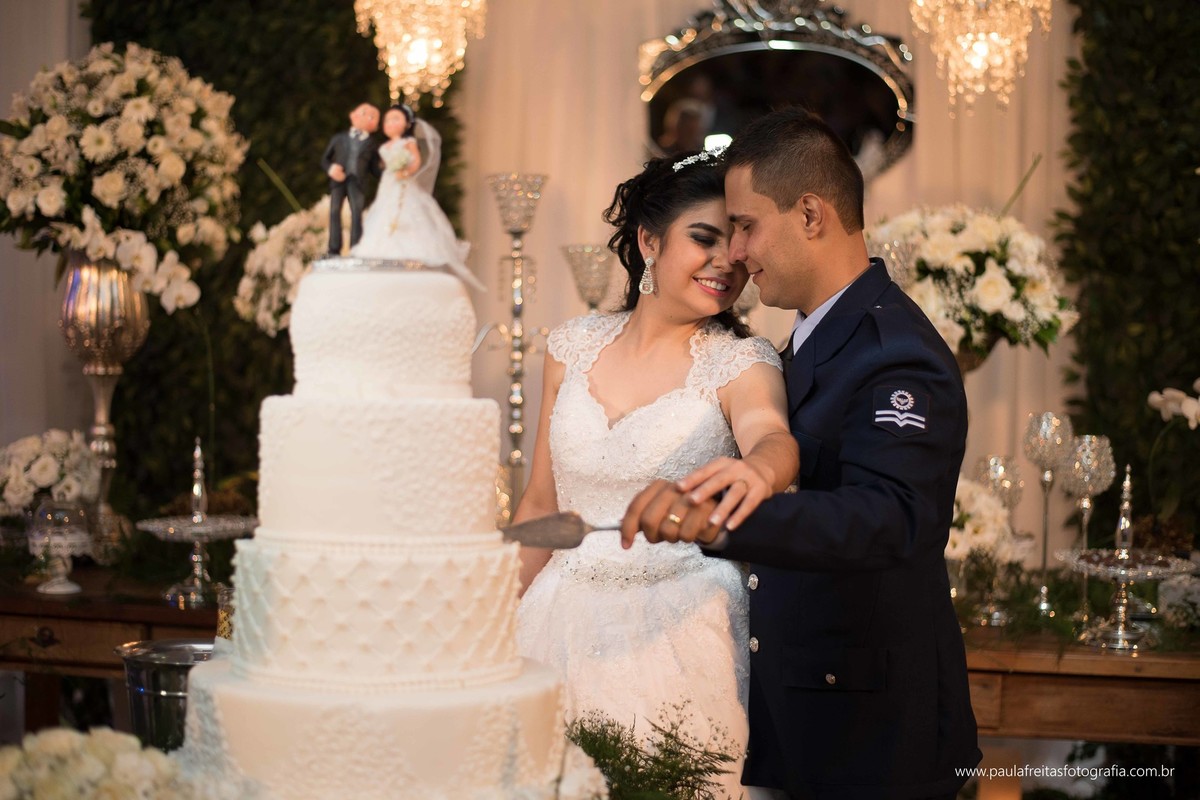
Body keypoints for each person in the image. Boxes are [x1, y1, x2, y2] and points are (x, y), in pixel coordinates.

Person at [622, 107, 982, 800]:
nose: (737, 251)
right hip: (801, 711)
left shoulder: (895, 353)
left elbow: (890, 519)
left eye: (747, 225)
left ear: (811, 215)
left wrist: (722, 522)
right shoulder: (808, 340)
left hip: (872, 733)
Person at [515, 150, 799, 799]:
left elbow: (774, 438)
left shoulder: (742, 362)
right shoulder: (570, 347)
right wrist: (486, 618)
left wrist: (758, 471)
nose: (725, 260)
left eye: (736, 243)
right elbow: (540, 504)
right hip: (556, 620)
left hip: (679, 631)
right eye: (704, 238)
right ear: (648, 239)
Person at [350, 105, 478, 288]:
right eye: (387, 120)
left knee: (407, 211)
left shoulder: (408, 143)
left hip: (403, 182)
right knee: (383, 210)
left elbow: (416, 161)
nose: (390, 123)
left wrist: (407, 170)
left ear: (407, 124)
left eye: (396, 119)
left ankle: (411, 252)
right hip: (389, 182)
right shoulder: (385, 146)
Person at [321, 102, 381, 255]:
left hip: (357, 182)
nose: (370, 119)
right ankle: (334, 248)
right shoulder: (339, 139)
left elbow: (375, 168)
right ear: (354, 115)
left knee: (356, 212)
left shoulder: (371, 144)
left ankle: (356, 248)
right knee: (334, 211)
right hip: (338, 181)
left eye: (374, 117)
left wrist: (388, 174)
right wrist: (331, 169)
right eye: (366, 114)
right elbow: (325, 159)